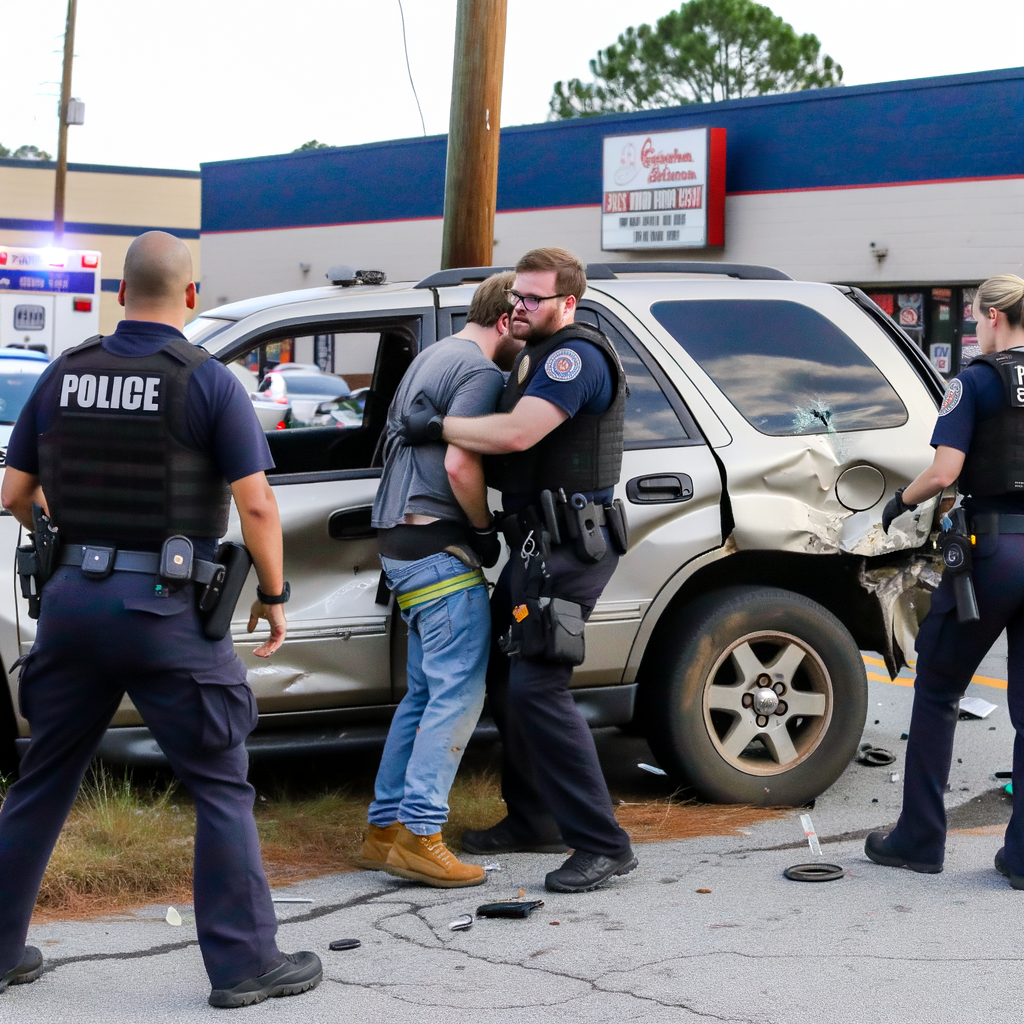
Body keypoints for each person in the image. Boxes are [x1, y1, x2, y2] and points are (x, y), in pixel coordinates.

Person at [0, 232, 321, 1008]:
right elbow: (255, 504)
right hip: (165, 611)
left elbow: (13, 492)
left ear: (118, 293)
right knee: (217, 782)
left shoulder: (65, 373)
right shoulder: (206, 382)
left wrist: (72, 538)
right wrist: (273, 597)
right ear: (189, 296)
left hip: (73, 606)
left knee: (42, 778)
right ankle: (246, 964)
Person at [404, 247, 637, 894]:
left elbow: (515, 436)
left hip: (570, 546)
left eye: (533, 299)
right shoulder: (537, 351)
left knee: (539, 687)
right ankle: (534, 817)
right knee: (506, 678)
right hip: (537, 542)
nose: (519, 307)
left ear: (568, 301)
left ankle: (602, 842)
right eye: (516, 297)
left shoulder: (573, 358)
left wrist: (437, 426)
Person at [358, 271, 519, 887]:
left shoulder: (432, 355)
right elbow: (459, 459)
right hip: (439, 549)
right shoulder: (480, 373)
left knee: (423, 695)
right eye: (521, 319)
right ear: (505, 320)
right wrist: (482, 529)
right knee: (457, 696)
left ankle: (385, 832)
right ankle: (424, 835)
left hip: (399, 546)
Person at [868, 274, 1024, 887]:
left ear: (990, 316)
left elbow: (943, 472)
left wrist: (895, 505)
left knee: (936, 690)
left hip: (996, 551)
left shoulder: (976, 381)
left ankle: (919, 838)